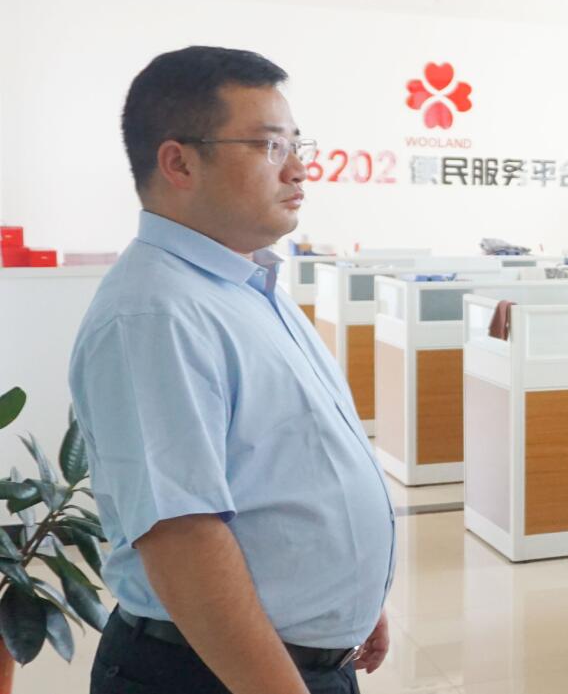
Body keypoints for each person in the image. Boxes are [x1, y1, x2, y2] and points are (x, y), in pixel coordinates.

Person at [68, 46, 395, 694]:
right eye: (270, 146)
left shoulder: (246, 281)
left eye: (297, 144)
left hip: (292, 658)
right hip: (215, 673)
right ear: (179, 162)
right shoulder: (155, 312)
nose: (299, 167)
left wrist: (350, 598)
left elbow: (284, 462)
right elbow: (183, 539)